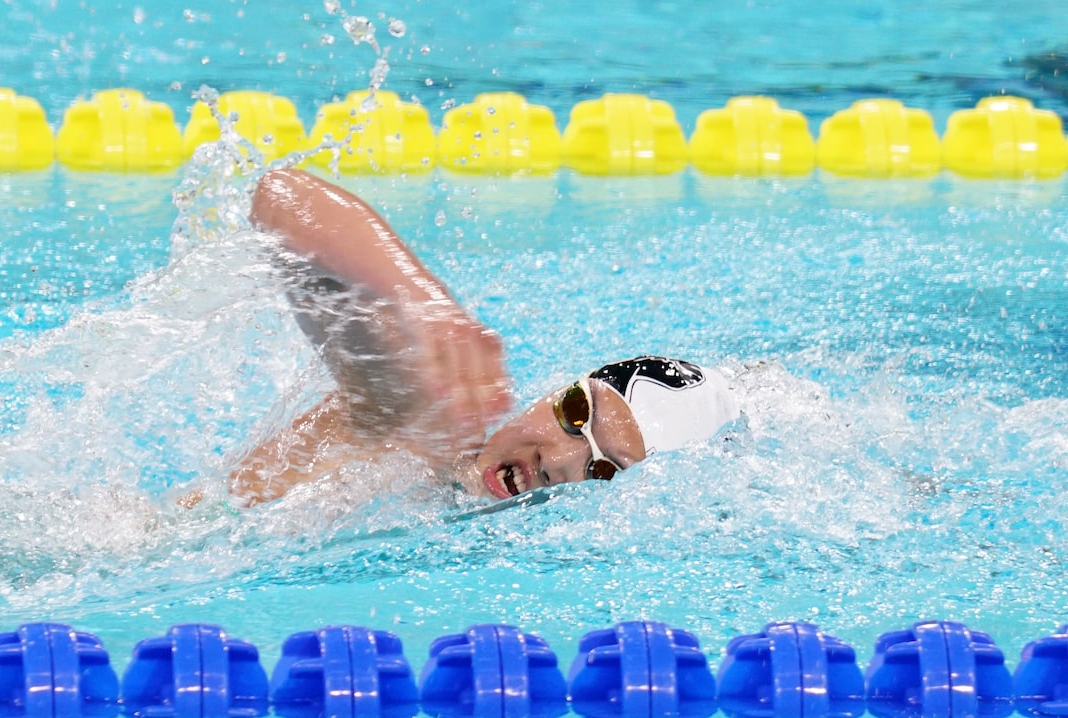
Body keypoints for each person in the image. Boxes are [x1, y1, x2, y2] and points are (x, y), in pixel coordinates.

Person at [227, 169, 739, 507]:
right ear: (558, 391)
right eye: (575, 414)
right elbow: (279, 198)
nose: (557, 461)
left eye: (602, 471)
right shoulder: (421, 425)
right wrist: (419, 300)